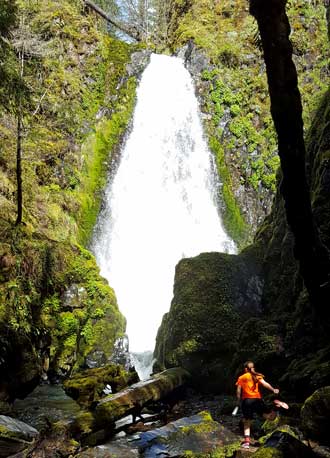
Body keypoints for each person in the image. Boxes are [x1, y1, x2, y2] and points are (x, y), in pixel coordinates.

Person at [235, 360, 280, 449]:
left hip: (247, 401)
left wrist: (238, 400)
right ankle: (276, 407)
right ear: (253, 368)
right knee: (271, 417)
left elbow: (238, 391)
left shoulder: (241, 377)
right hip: (257, 400)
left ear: (245, 369)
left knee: (247, 423)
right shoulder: (257, 375)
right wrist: (273, 389)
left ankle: (247, 443)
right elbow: (264, 384)